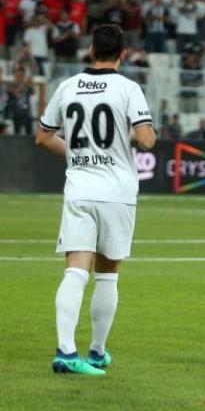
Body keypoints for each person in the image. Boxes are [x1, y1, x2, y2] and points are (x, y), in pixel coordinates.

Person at [35, 24, 157, 376]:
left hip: (80, 189)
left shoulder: (67, 86)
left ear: (91, 51)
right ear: (123, 54)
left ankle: (66, 351)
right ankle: (98, 350)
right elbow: (146, 139)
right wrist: (144, 134)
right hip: (117, 193)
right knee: (107, 275)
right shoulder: (128, 87)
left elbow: (43, 138)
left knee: (75, 270)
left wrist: (75, 156)